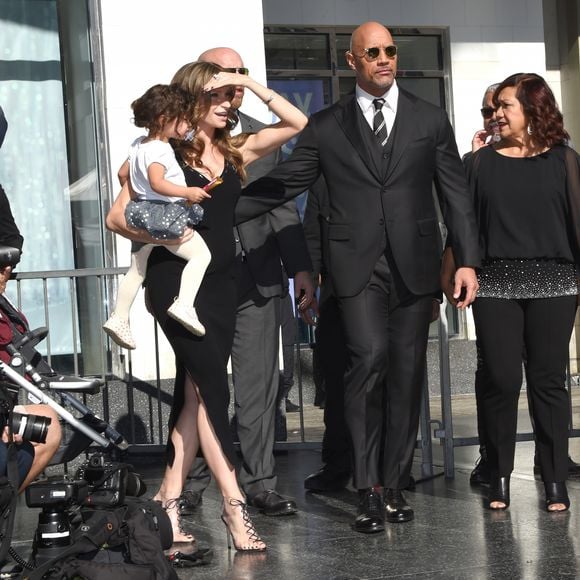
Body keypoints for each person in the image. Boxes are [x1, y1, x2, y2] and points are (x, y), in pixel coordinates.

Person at [240, 21, 480, 533]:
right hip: (356, 267)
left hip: (415, 266)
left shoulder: (430, 119)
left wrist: (466, 259)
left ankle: (394, 483)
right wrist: (220, 206)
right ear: (353, 61)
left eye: (390, 50)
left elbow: (455, 193)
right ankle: (367, 485)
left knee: (406, 372)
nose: (384, 58)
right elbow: (289, 181)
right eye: (373, 52)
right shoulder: (327, 126)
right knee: (367, 358)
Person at [106, 61, 308, 549]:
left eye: (231, 96)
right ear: (192, 101)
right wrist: (162, 230)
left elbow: (297, 124)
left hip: (222, 286)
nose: (228, 103)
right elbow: (116, 217)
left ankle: (168, 502)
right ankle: (235, 508)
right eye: (217, 95)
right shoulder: (162, 153)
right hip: (176, 286)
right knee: (213, 392)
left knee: (195, 395)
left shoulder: (234, 150)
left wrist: (249, 85)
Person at [178, 47, 312, 518]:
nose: (232, 87)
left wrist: (299, 269)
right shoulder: (175, 145)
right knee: (199, 387)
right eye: (223, 77)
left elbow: (280, 208)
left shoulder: (255, 140)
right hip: (199, 286)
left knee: (258, 389)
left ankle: (260, 482)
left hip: (257, 279)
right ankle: (191, 481)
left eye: (239, 75)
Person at [443, 73, 579, 512]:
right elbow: (462, 228)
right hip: (495, 283)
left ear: (532, 110)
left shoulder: (565, 161)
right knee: (501, 379)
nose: (496, 114)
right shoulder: (479, 163)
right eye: (495, 107)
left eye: (506, 106)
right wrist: (453, 273)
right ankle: (498, 474)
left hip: (556, 282)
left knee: (548, 382)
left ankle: (554, 478)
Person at [103, 84, 212, 350]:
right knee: (201, 256)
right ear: (165, 120)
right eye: (184, 119)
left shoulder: (138, 144)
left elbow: (121, 174)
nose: (188, 125)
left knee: (137, 268)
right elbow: (157, 182)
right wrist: (187, 191)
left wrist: (138, 192)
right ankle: (184, 304)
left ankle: (119, 316)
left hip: (142, 213)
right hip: (165, 215)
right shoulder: (161, 150)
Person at [301, 177, 352, 492]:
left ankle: (389, 468)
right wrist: (309, 284)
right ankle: (337, 465)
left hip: (385, 290)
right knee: (336, 383)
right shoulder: (325, 178)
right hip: (336, 292)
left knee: (384, 380)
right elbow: (312, 233)